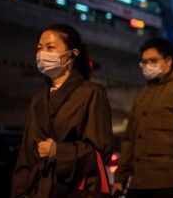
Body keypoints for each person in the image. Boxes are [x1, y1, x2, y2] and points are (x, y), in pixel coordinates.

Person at [11, 24, 113, 197]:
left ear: (72, 54)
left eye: (50, 47)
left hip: (73, 189)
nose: (42, 54)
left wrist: (57, 151)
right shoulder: (39, 97)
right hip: (39, 190)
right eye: (39, 48)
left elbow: (100, 151)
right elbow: (26, 156)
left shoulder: (91, 93)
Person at [113, 38, 173, 197]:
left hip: (167, 184)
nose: (148, 66)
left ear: (168, 61)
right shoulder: (144, 93)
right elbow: (129, 139)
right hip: (138, 182)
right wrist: (120, 177)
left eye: (153, 61)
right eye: (144, 62)